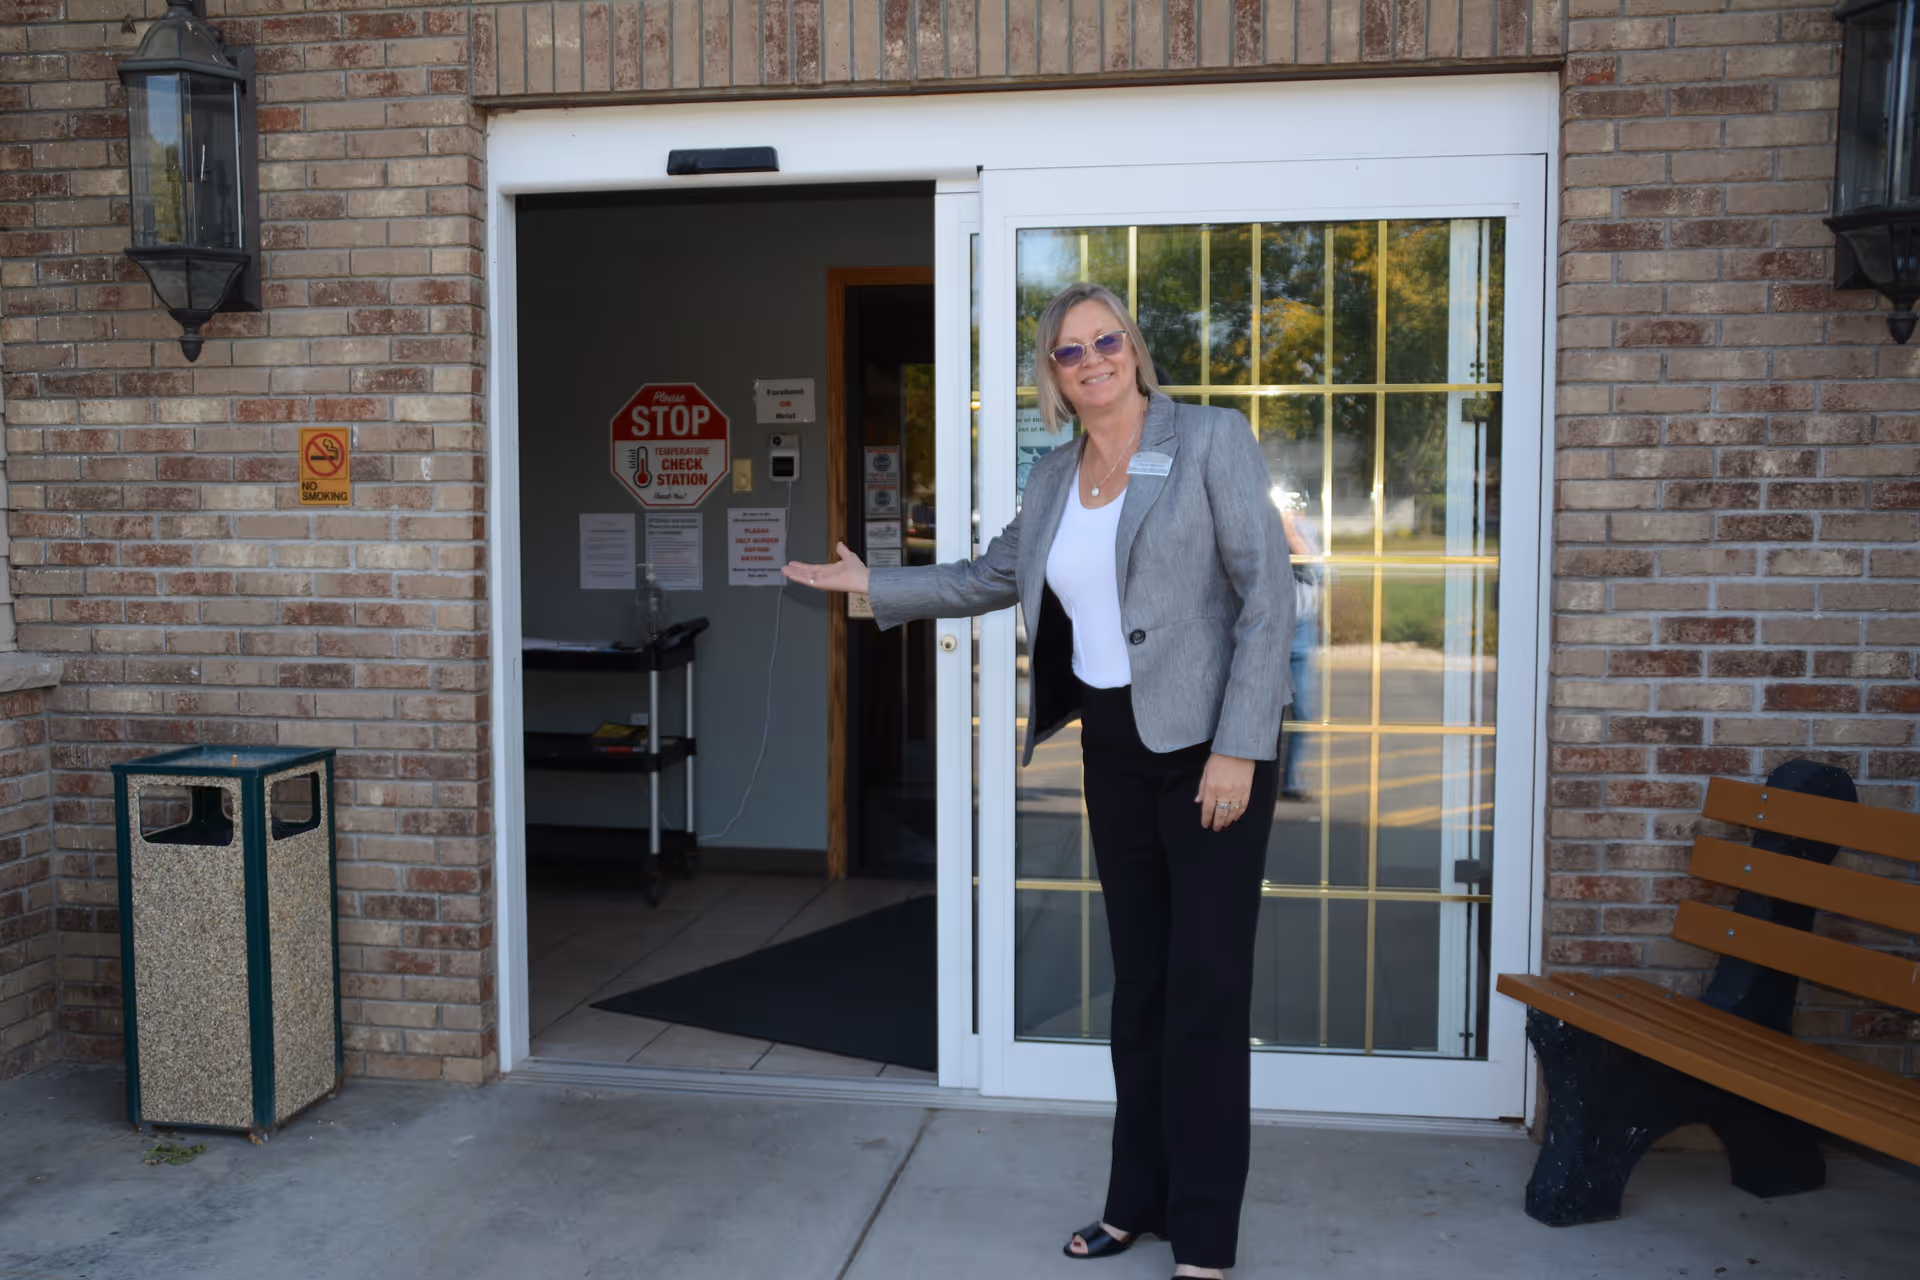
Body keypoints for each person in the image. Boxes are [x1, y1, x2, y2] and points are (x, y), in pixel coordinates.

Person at [783, 282, 1292, 1279]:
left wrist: (1239, 744)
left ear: (1135, 351)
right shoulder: (1056, 472)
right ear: (1052, 374)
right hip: (1113, 747)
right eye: (1070, 350)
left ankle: (1206, 1240)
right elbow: (990, 574)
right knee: (1140, 987)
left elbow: (1266, 596)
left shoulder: (1210, 440)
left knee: (1204, 991)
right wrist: (873, 586)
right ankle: (1133, 1201)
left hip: (1208, 752)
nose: (1093, 358)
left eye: (1107, 341)